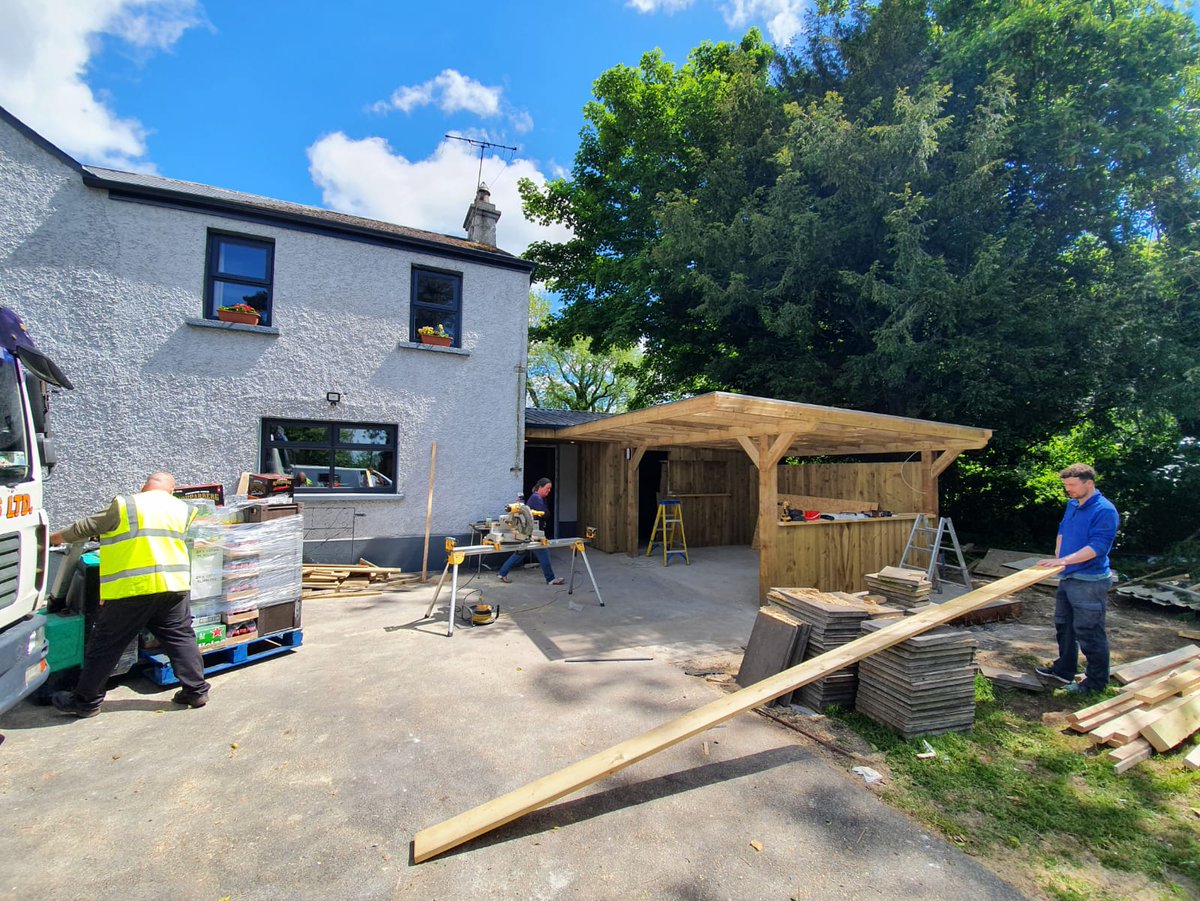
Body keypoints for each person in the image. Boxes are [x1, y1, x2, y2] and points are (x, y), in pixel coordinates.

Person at [49, 471, 211, 717]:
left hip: (133, 588)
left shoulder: (127, 503)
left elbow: (86, 527)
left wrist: (54, 538)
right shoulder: (183, 509)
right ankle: (196, 690)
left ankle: (85, 701)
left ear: (144, 487)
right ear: (171, 490)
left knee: (105, 644)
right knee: (180, 638)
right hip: (173, 585)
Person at [1034, 463, 1120, 694]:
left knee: (1089, 631)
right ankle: (1064, 670)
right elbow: (1062, 530)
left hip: (1090, 581)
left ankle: (1095, 683)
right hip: (1069, 575)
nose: (1068, 489)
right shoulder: (1073, 504)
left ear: (1088, 483)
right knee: (1064, 626)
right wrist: (1058, 555)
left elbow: (1098, 547)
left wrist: (1064, 561)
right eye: (1066, 485)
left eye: (1072, 485)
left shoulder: (1105, 510)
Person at [497, 477, 564, 586]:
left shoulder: (537, 498)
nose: (549, 490)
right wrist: (546, 513)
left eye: (550, 488)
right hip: (534, 533)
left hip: (529, 532)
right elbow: (545, 513)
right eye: (547, 488)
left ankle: (502, 573)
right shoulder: (536, 499)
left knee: (520, 553)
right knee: (544, 553)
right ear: (540, 487)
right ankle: (550, 579)